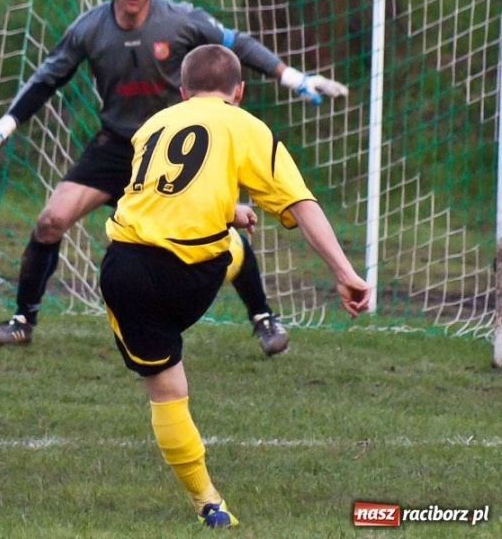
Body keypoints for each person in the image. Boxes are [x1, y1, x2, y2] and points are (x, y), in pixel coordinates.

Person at [0, 0, 348, 354]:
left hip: (174, 150)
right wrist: (1, 129)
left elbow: (237, 44)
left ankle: (264, 318)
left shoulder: (179, 19)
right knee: (50, 221)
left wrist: (292, 78)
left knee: (217, 228)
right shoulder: (89, 28)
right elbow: (46, 79)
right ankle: (23, 319)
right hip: (116, 146)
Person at [100, 43, 370, 528]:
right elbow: (302, 203)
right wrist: (345, 272)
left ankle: (208, 501)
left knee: (166, 390)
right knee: (229, 247)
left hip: (127, 270)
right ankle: (262, 314)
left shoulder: (152, 127)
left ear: (182, 92)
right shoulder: (246, 127)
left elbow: (170, 190)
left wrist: (227, 208)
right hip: (192, 276)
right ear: (238, 92)